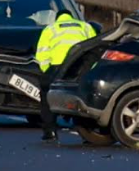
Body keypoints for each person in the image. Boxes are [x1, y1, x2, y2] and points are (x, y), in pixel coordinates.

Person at [34, 11, 97, 143]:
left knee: (47, 95)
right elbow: (95, 49)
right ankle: (88, 131)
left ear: (58, 19)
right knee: (82, 95)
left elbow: (42, 55)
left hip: (58, 67)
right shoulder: (85, 26)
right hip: (79, 66)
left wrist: (48, 73)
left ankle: (50, 131)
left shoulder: (50, 29)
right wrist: (90, 70)